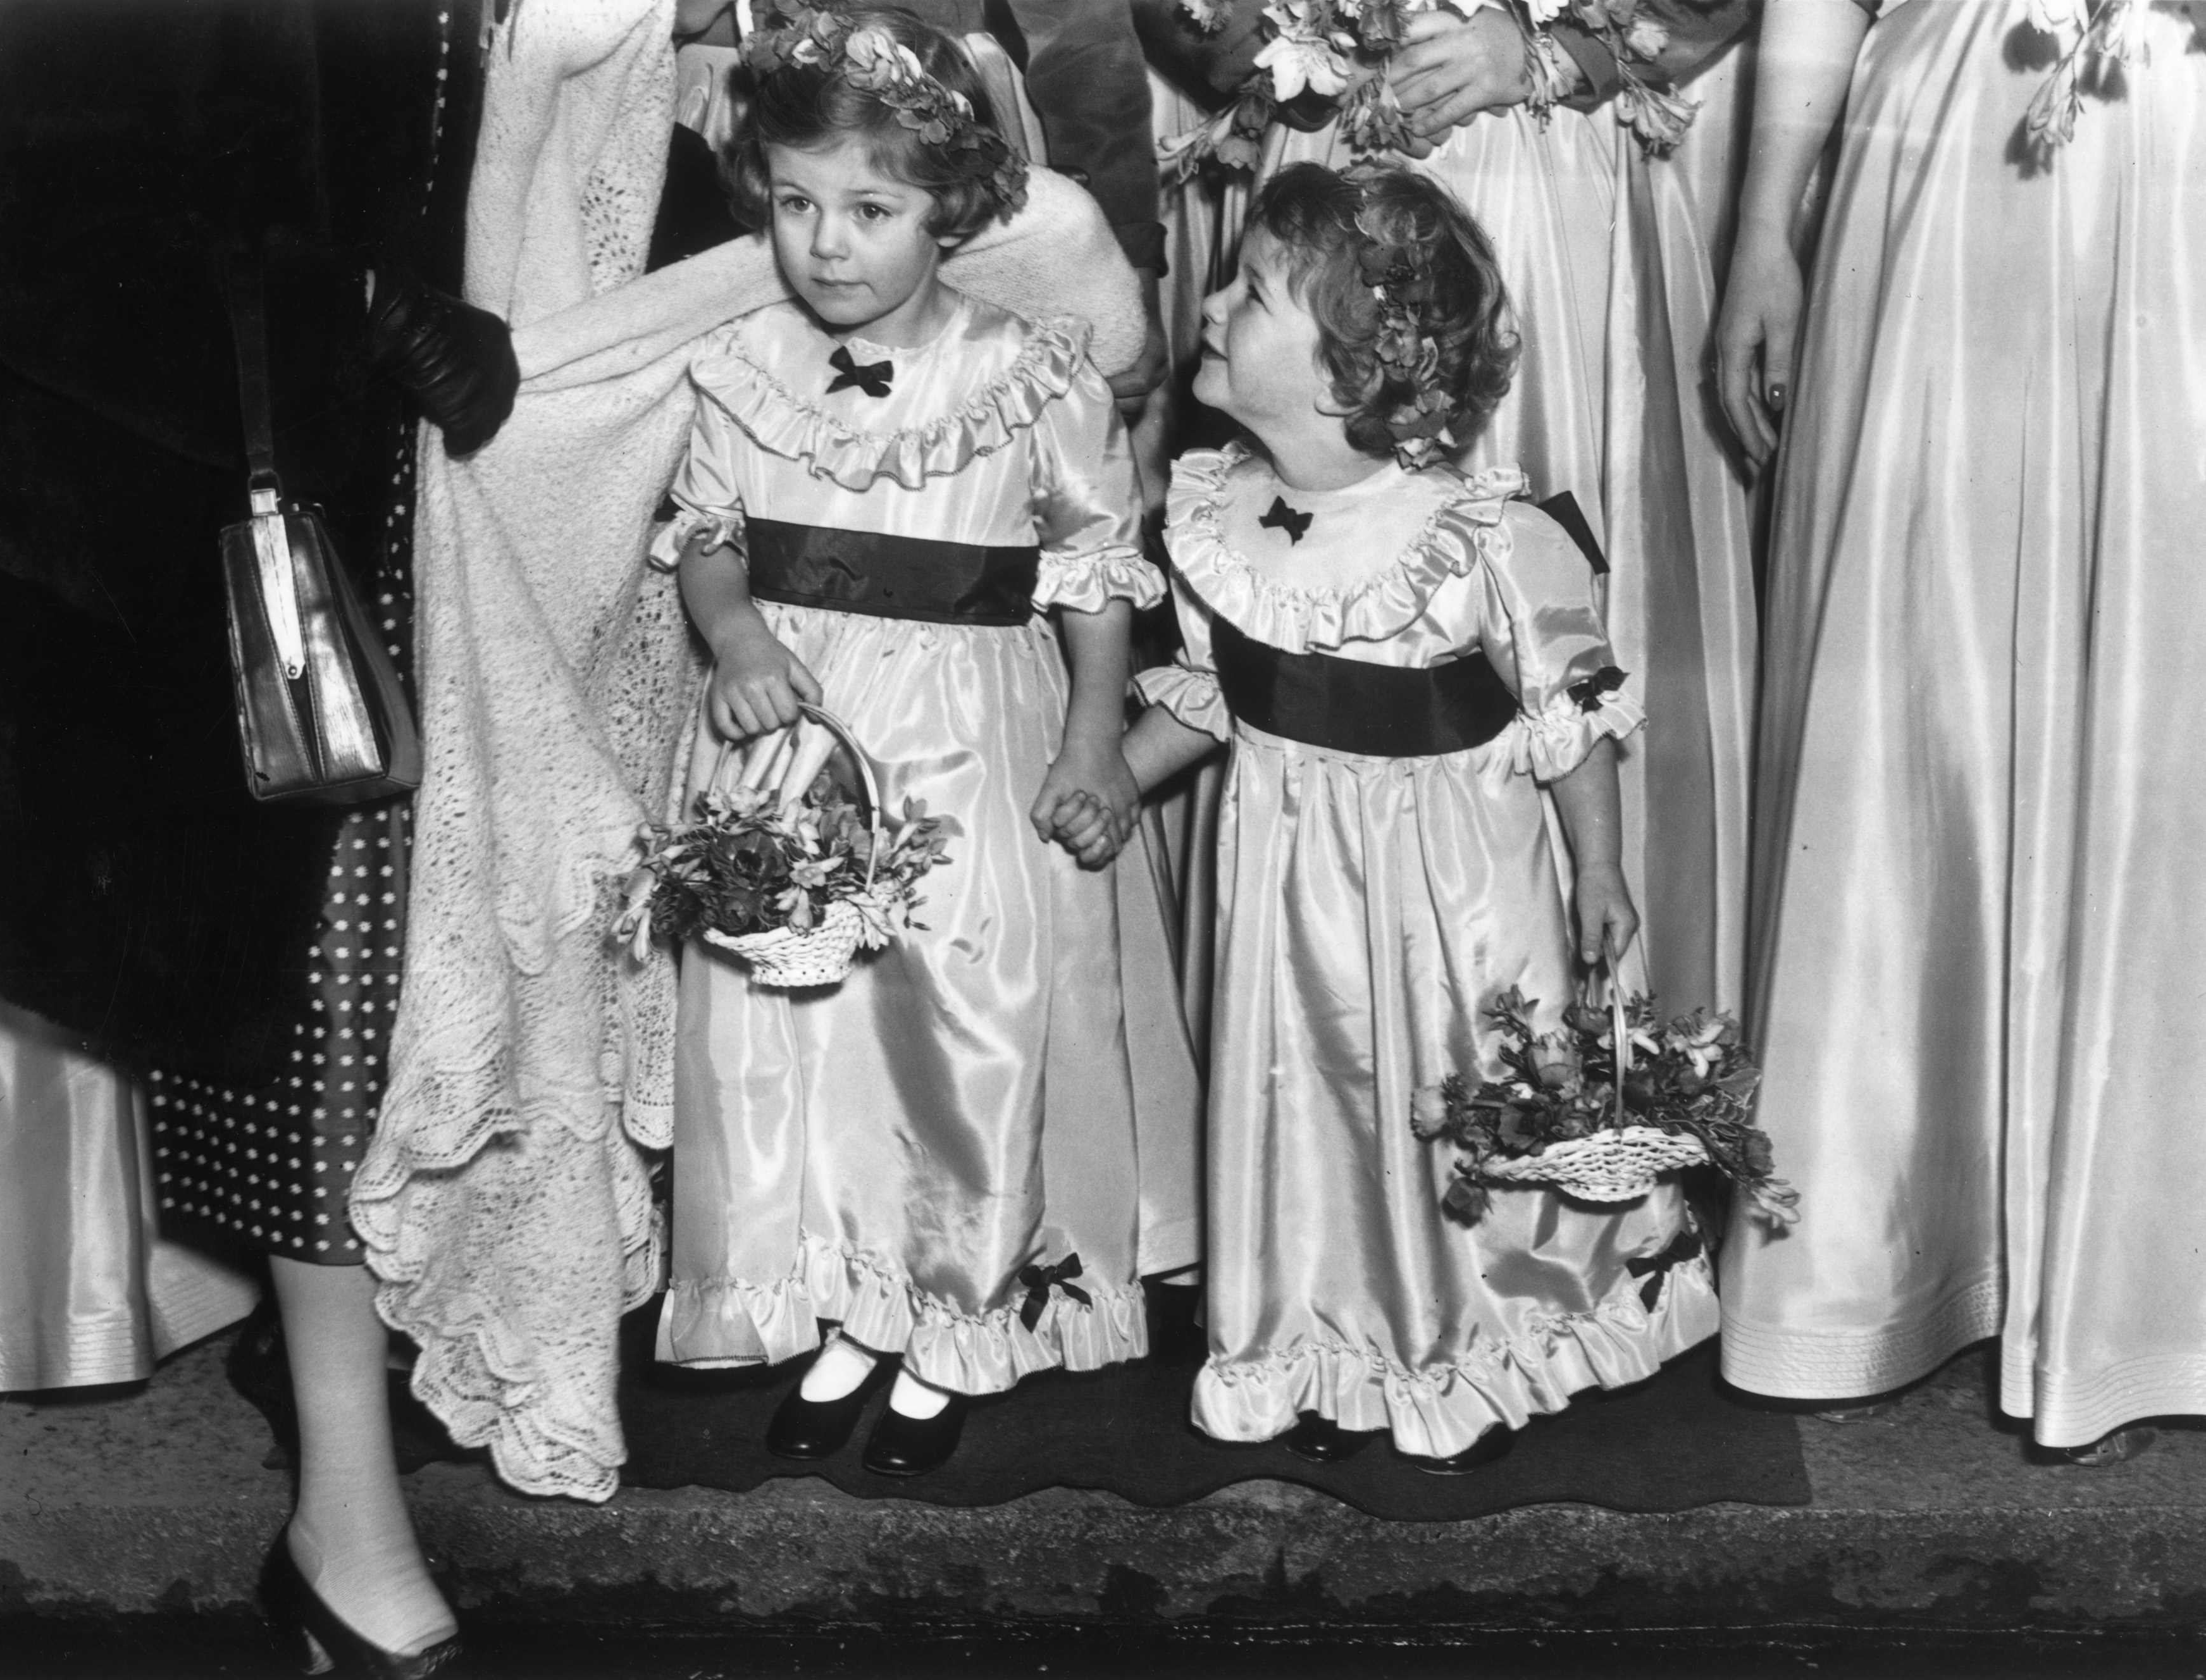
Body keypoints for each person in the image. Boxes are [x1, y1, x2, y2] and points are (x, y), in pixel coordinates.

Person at [0, 0, 514, 1667]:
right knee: (321, 1007)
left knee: (441, 992)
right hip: (226, 549)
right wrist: (348, 309)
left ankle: (380, 1401)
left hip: (442, 500)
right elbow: (28, 230)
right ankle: (349, 1514)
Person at [1102, 162, 1714, 1469]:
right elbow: (1214, 694)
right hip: (1285, 890)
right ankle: (1320, 1330)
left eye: (1249, 292)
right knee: (1309, 1100)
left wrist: (1599, 863)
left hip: (1447, 899)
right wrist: (1113, 777)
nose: (1210, 304)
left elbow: (1572, 713)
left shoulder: (1480, 534)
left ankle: (1473, 1337)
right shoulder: (1216, 514)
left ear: (1341, 375)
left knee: (1441, 1097)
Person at [647, 2, 1182, 1477]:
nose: (828, 243)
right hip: (798, 734)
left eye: (872, 210)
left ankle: (959, 1308)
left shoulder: (1033, 367)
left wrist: (1089, 744)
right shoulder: (743, 353)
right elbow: (708, 535)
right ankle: (839, 1297)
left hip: (968, 734)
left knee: (957, 1016)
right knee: (797, 1026)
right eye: (800, 202)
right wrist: (740, 636)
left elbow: (1091, 572)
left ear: (950, 206)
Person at [1711, 0, 2206, 1463]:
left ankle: (2146, 1275)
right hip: (1945, 160)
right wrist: (1764, 230)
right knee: (1916, 654)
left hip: (2181, 165)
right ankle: (1886, 1250)